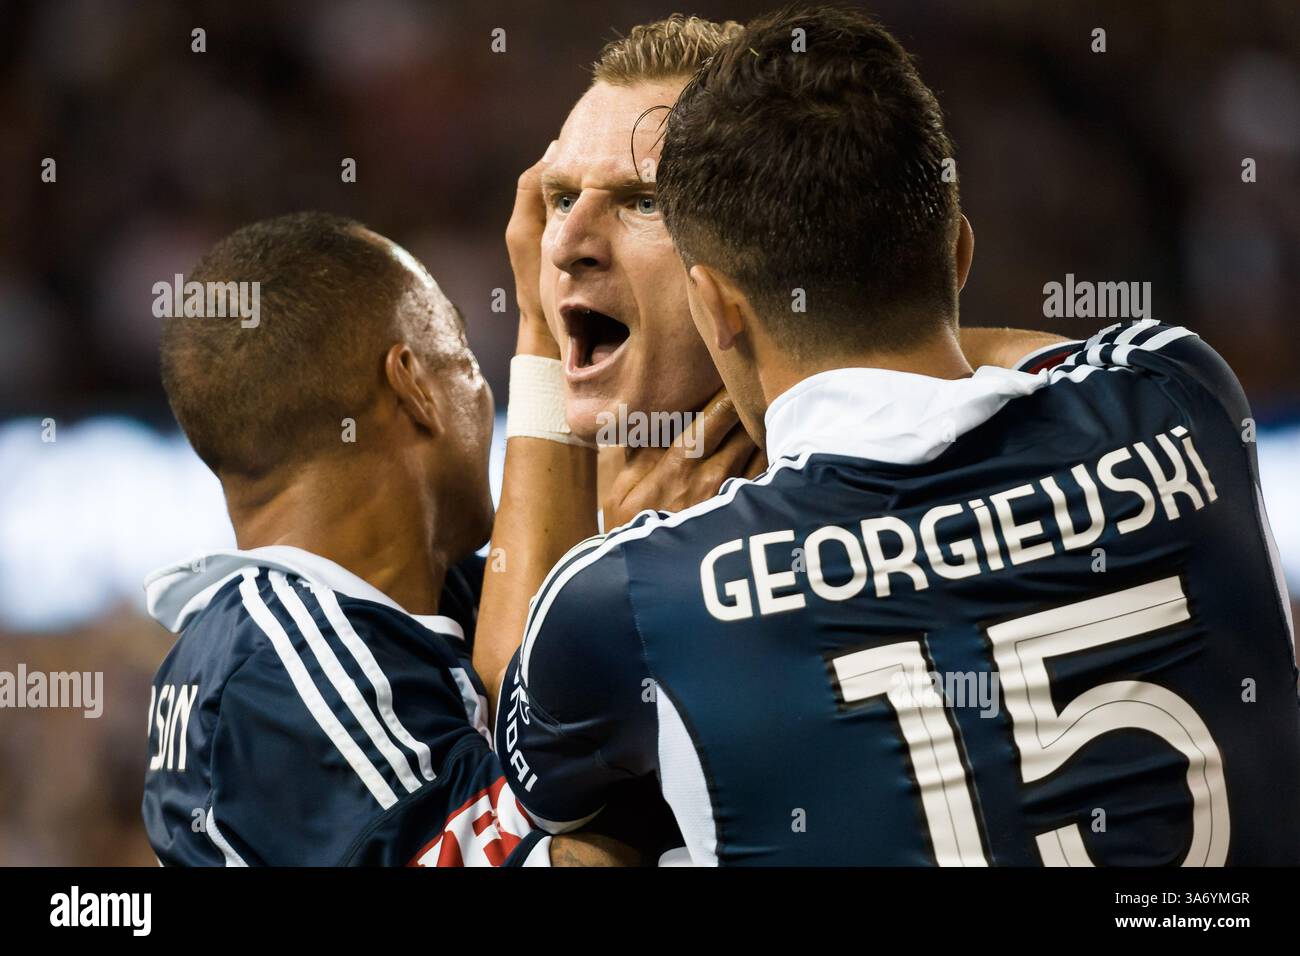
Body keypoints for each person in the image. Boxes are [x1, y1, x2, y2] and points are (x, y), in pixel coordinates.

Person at [490, 6, 1300, 865]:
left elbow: (516, 727)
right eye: (559, 200)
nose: (565, 244)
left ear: (715, 297)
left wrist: (540, 349)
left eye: (644, 202)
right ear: (954, 256)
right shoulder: (1180, 389)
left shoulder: (638, 594)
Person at [143, 211, 612, 866]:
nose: (484, 394)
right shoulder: (287, 659)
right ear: (412, 385)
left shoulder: (421, 606)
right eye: (467, 359)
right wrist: (541, 340)